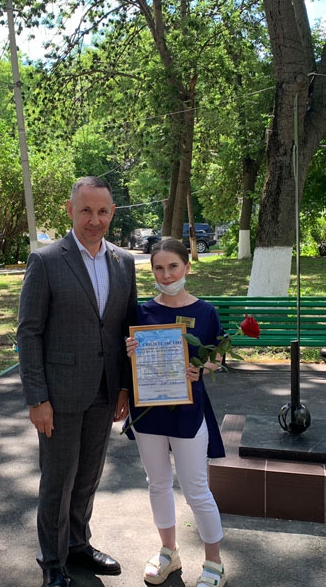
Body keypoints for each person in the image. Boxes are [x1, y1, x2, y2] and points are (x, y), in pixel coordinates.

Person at [17, 176, 136, 587]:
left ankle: (78, 545)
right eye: (86, 210)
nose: (94, 219)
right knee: (58, 481)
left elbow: (127, 327)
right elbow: (29, 332)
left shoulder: (123, 262)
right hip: (59, 395)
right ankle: (53, 562)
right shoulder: (46, 261)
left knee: (87, 476)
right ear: (70, 210)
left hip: (105, 391)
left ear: (112, 213)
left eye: (102, 211)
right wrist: (37, 399)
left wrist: (125, 387)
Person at [124, 238, 226, 587]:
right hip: (148, 412)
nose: (166, 275)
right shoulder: (140, 312)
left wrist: (203, 368)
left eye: (173, 267)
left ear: (187, 267)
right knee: (157, 483)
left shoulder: (206, 311)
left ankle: (214, 563)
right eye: (158, 268)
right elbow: (129, 360)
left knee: (196, 488)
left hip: (188, 413)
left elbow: (217, 357)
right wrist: (130, 350)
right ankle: (169, 552)